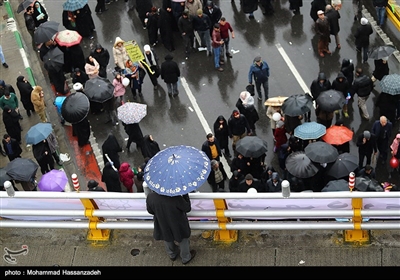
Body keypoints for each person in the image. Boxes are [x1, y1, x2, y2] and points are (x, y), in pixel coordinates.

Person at [146, 190, 196, 264]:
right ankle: (185, 257)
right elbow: (187, 208)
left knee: (167, 237)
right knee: (182, 239)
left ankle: (172, 254)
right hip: (178, 222)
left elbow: (150, 211)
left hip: (162, 221)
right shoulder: (176, 197)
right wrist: (185, 195)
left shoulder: (150, 197)